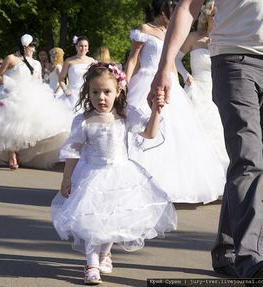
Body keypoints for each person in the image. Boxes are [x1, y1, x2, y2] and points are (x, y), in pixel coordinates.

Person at [150, 0, 263, 279]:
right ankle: (250, 257)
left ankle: (225, 251)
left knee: (252, 165)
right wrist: (165, 67)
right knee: (247, 161)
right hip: (234, 60)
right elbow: (186, 8)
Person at [51, 62, 176, 285]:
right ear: (87, 92)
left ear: (118, 91)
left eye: (107, 92)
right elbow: (73, 151)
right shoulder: (84, 120)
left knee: (112, 221)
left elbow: (149, 133)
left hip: (120, 175)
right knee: (91, 221)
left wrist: (157, 110)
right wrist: (67, 177)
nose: (101, 97)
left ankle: (104, 253)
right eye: (95, 92)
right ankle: (91, 264)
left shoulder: (126, 116)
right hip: (92, 176)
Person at [125, 0, 226, 204]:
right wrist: (125, 86)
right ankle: (134, 181)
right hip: (146, 80)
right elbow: (133, 60)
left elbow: (170, 63)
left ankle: (167, 184)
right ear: (163, 11)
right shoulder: (146, 29)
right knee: (142, 128)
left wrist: (178, 85)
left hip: (170, 83)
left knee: (175, 134)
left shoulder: (172, 35)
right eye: (171, 9)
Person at [0, 34, 71, 170]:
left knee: (30, 126)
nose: (33, 49)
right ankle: (12, 154)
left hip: (32, 95)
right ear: (24, 46)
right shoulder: (11, 58)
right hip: (12, 94)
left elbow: (39, 80)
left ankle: (24, 155)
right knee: (10, 124)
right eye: (31, 46)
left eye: (34, 46)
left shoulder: (36, 63)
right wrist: (8, 84)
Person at [175, 0, 229, 170]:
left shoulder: (225, 39)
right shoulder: (194, 37)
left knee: (219, 131)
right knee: (197, 129)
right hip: (197, 89)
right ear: (207, 17)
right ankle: (195, 171)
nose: (217, 18)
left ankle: (219, 173)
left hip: (219, 89)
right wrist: (185, 75)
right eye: (214, 15)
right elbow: (175, 59)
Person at [58, 36, 95, 111]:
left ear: (88, 47)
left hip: (87, 93)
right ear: (76, 47)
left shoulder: (92, 61)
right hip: (72, 94)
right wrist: (65, 90)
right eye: (81, 46)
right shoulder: (69, 61)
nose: (83, 48)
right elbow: (61, 78)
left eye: (85, 46)